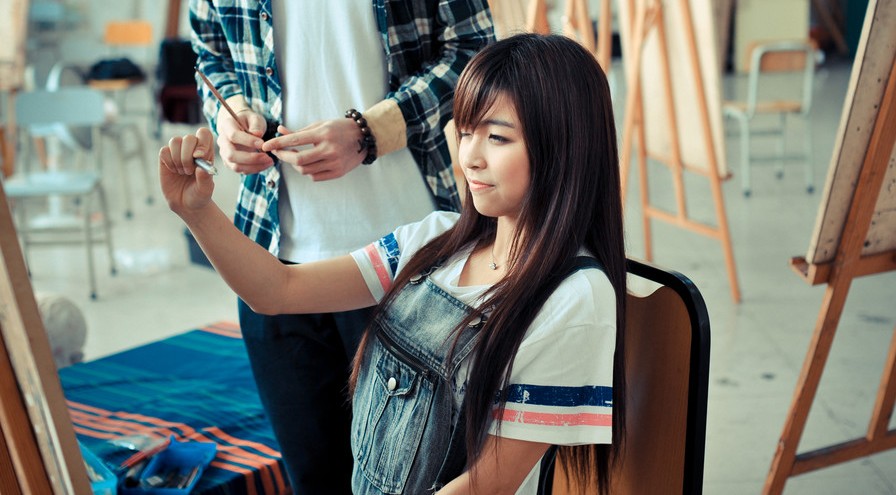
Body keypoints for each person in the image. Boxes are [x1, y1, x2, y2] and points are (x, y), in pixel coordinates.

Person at [160, 34, 627, 494]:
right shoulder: (436, 239)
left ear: (563, 146)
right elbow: (278, 289)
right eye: (465, 132)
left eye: (497, 137)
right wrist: (196, 210)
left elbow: (486, 485)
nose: (470, 157)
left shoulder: (575, 298)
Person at [187, 0, 493, 490]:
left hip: (409, 258)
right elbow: (209, 56)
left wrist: (371, 131)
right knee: (315, 478)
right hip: (272, 258)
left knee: (419, 478)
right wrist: (229, 118)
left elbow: (475, 51)